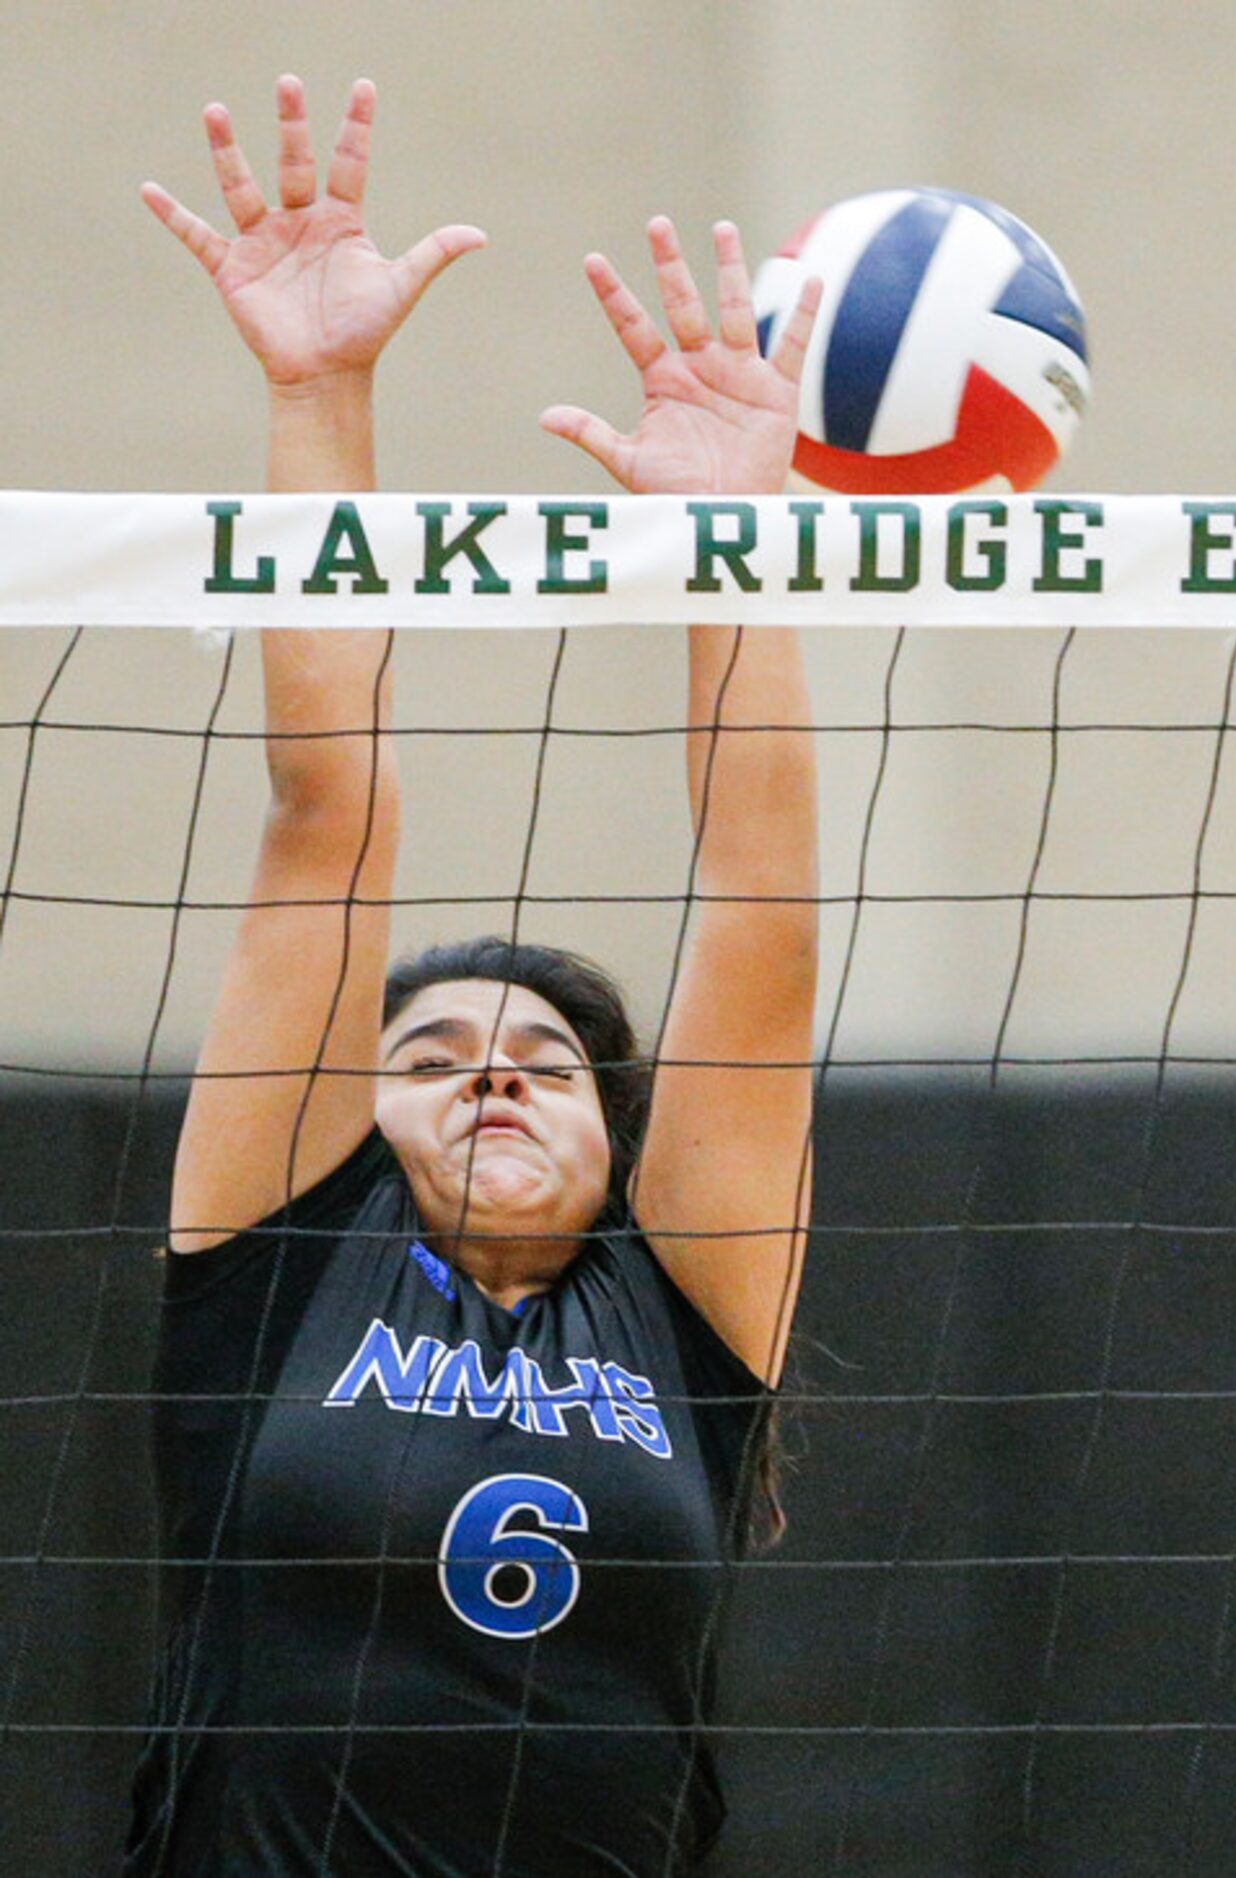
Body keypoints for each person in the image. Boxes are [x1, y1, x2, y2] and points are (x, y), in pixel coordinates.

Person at [132, 76, 823, 1874]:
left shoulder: (682, 1314)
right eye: (431, 1055)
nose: (495, 1071)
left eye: (543, 1057)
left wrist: (727, 549)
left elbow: (762, 916)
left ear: (621, 1133)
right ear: (356, 1117)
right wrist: (316, 392)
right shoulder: (290, 1259)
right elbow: (327, 805)